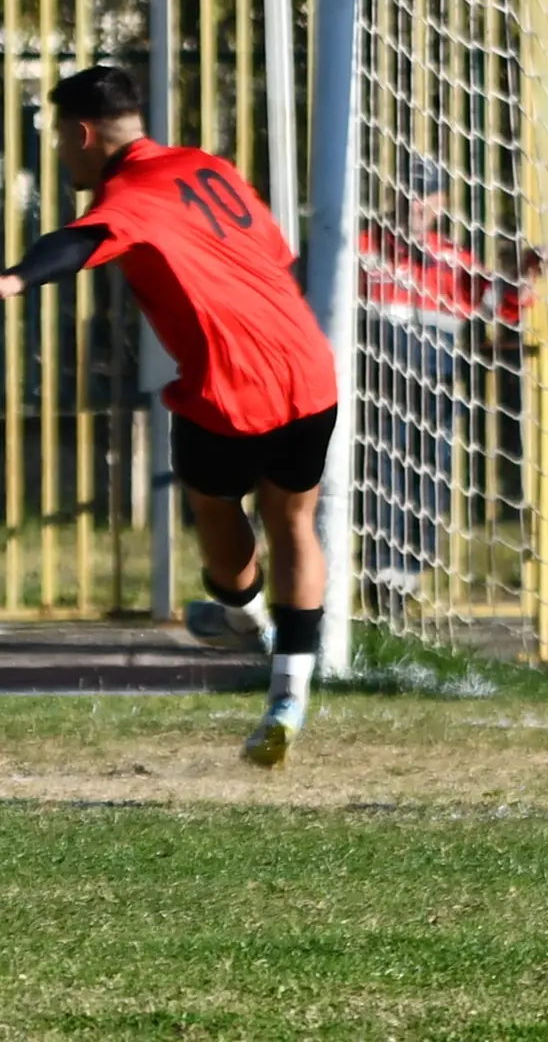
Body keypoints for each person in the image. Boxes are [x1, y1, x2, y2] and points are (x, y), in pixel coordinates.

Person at [0, 67, 337, 766]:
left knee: (216, 509)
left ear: (81, 133)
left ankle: (243, 618)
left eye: (60, 141)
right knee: (294, 519)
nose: (62, 155)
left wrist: (12, 279)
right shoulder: (209, 168)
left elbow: (76, 246)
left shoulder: (130, 195)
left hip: (229, 384)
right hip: (308, 366)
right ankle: (290, 695)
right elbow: (277, 251)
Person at [354, 157, 548, 604]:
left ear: (441, 203)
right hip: (377, 395)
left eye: (425, 195)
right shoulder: (364, 248)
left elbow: (499, 302)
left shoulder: (453, 260)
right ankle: (380, 582)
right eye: (408, 191)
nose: (415, 203)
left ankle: (405, 580)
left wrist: (525, 270)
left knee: (431, 486)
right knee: (381, 482)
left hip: (433, 394)